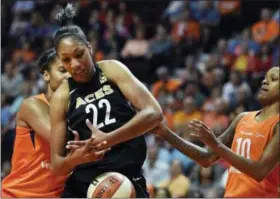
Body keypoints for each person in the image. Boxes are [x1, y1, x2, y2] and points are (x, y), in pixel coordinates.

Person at [50, 4, 163, 198]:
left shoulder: (111, 69)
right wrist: (74, 159)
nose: (75, 64)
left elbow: (154, 113)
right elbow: (57, 166)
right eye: (66, 60)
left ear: (89, 48)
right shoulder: (61, 96)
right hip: (84, 184)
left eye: (79, 54)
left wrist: (107, 139)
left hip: (126, 179)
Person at [153, 67, 279, 198]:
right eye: (265, 78)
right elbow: (206, 158)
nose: (265, 82)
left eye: (273, 79)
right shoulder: (242, 118)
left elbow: (259, 171)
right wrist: (165, 132)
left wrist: (216, 145)